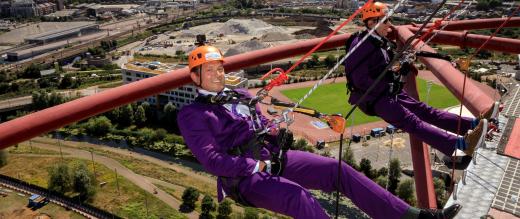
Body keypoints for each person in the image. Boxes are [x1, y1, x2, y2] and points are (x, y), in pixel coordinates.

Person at [178, 45, 462, 219]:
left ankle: (410, 217)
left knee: (338, 170)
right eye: (209, 70)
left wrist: (278, 132)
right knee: (300, 199)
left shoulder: (239, 94)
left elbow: (261, 125)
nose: (217, 74)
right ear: (194, 77)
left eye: (219, 68)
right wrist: (259, 164)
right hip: (244, 179)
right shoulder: (192, 115)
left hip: (275, 158)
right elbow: (213, 161)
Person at [343, 2, 498, 158]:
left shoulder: (376, 40)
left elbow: (379, 69)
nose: (389, 25)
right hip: (375, 99)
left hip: (387, 91)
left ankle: (472, 125)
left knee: (426, 111)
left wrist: (396, 70)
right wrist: (389, 81)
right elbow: (360, 80)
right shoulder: (362, 45)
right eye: (385, 21)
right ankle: (464, 145)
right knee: (412, 123)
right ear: (371, 22)